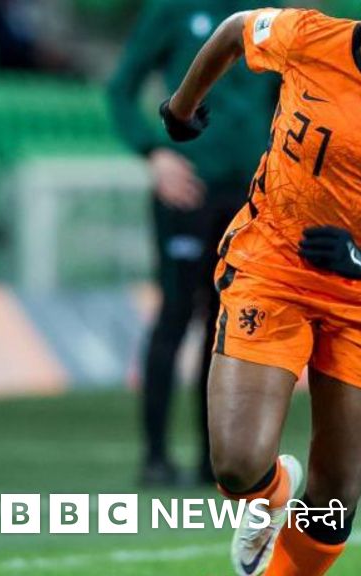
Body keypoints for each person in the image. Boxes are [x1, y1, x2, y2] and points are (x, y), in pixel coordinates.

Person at [159, 1, 361, 574]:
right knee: (236, 466)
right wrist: (181, 107)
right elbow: (234, 31)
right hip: (273, 265)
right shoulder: (306, 35)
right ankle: (272, 493)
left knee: (333, 501)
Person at [107, 0, 279, 487]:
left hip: (249, 195)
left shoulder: (273, 17)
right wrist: (153, 152)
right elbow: (121, 89)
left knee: (228, 323)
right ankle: (156, 456)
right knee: (176, 313)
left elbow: (285, 99)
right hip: (188, 188)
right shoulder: (173, 8)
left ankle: (213, 458)